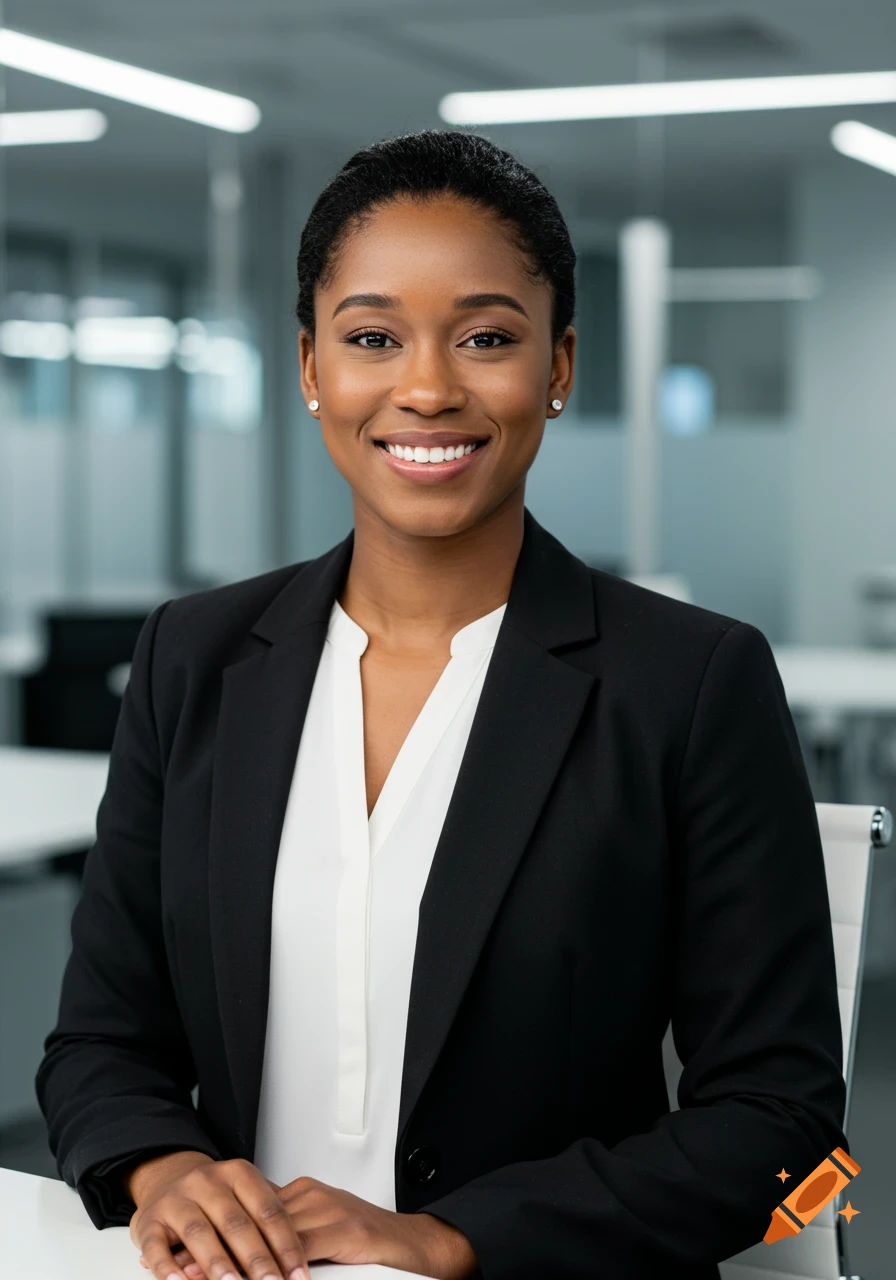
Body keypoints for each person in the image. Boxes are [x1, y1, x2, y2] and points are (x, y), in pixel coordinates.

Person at [36, 130, 847, 1280]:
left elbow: (785, 1129)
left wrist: (450, 1235)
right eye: (371, 337)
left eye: (485, 337)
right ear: (311, 365)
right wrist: (163, 1166)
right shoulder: (193, 656)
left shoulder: (688, 680)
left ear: (558, 366)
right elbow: (99, 1041)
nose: (425, 386)